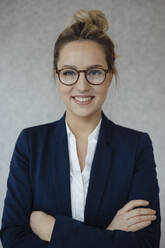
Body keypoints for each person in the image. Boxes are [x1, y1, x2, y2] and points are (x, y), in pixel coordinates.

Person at [0, 8, 161, 248]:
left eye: (94, 72)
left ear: (110, 75)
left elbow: (145, 243)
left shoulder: (136, 146)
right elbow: (13, 238)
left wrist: (55, 230)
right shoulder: (31, 144)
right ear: (57, 77)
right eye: (69, 73)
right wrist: (109, 233)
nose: (82, 85)